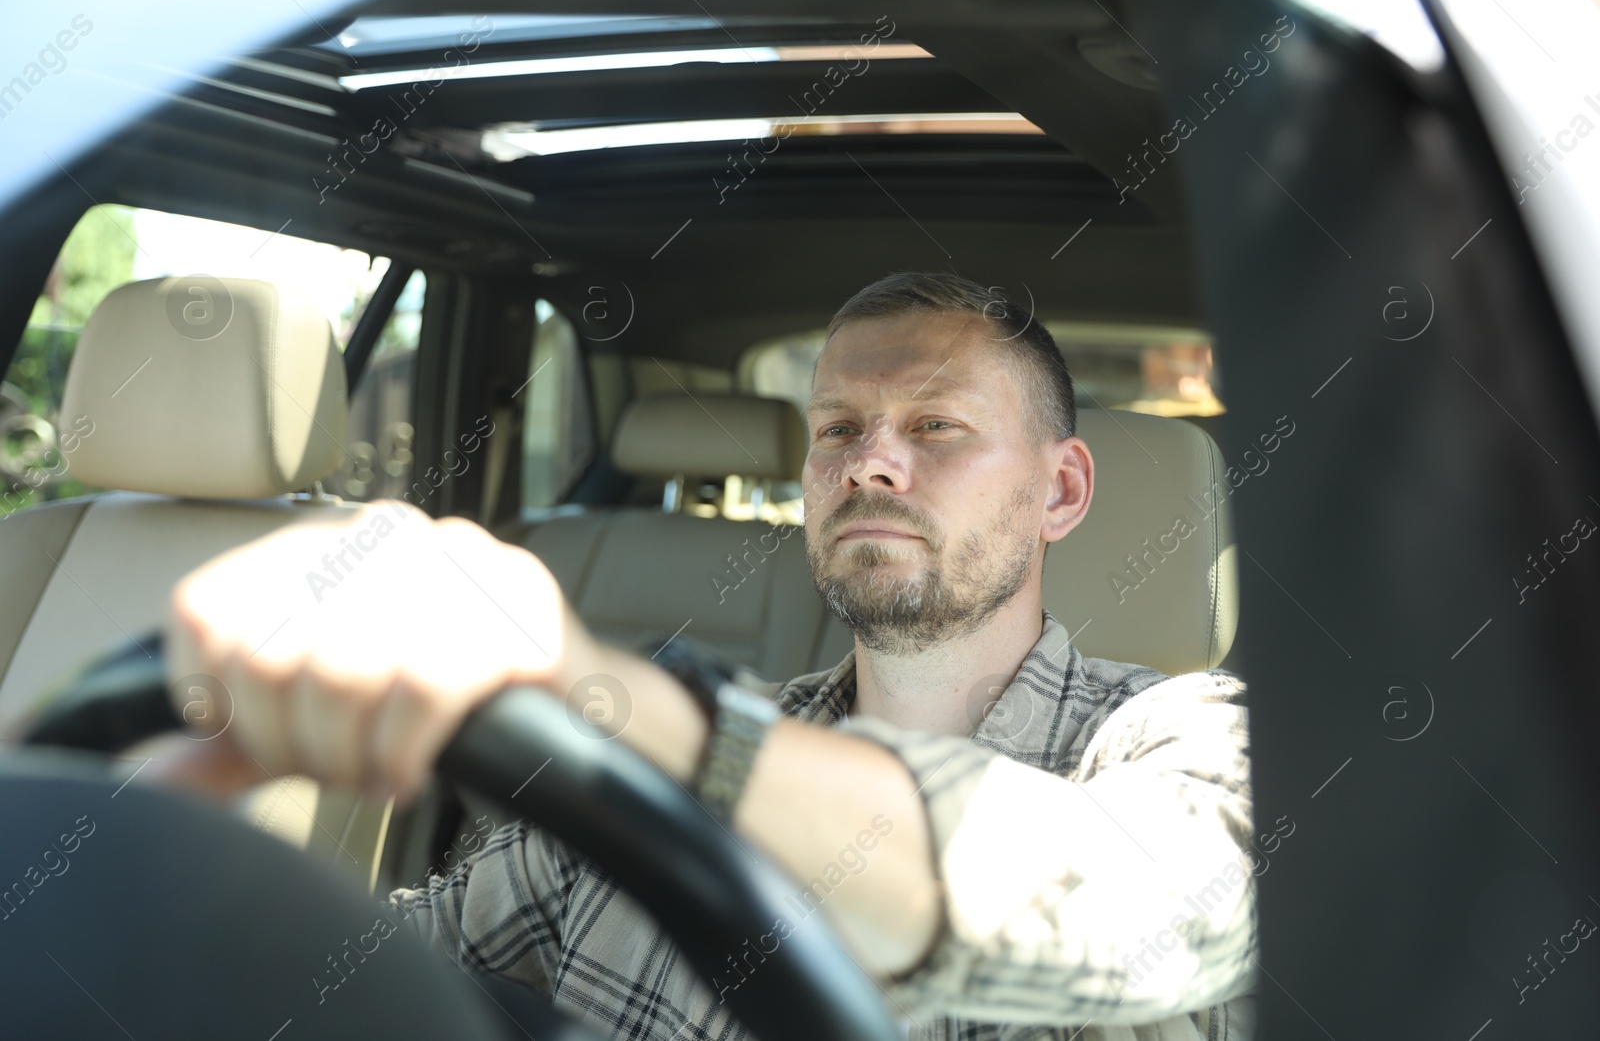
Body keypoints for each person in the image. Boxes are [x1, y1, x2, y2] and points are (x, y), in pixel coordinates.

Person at [158, 271, 1256, 1040]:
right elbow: (399, 970)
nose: (869, 463)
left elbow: (1137, 904)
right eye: (835, 428)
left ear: (1059, 490)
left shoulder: (1189, 739)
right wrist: (168, 887)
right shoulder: (632, 771)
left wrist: (649, 724)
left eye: (936, 427)